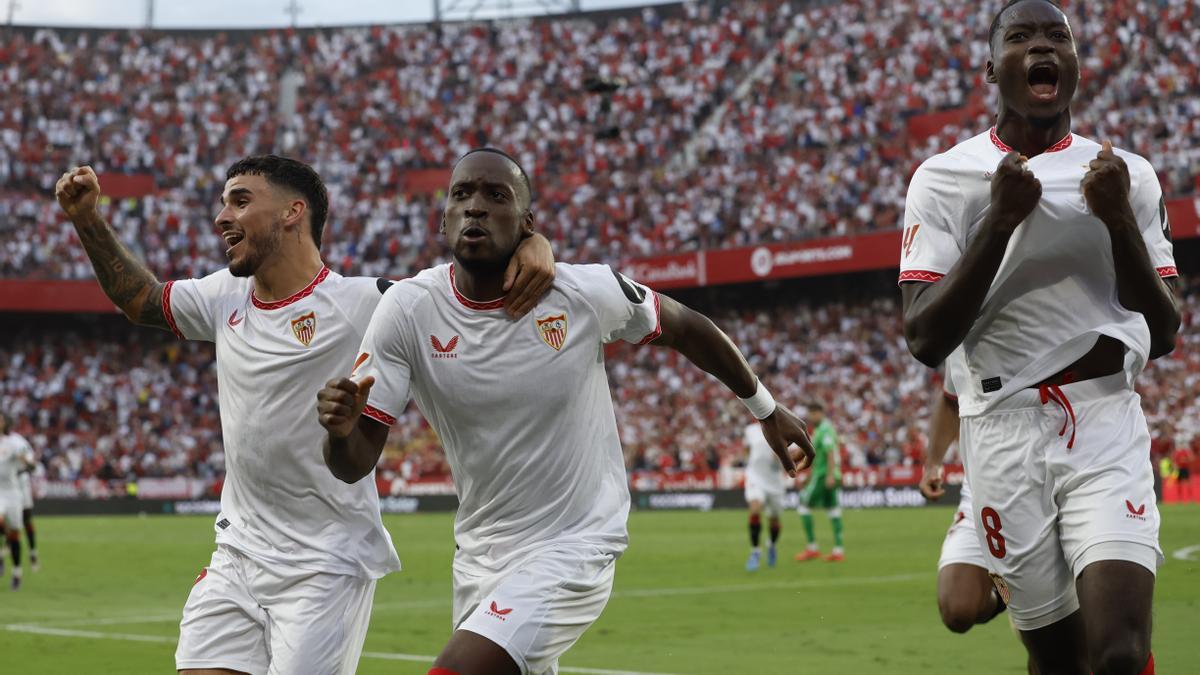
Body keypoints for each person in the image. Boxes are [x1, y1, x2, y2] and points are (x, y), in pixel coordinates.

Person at [316, 147, 814, 675]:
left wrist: (764, 407)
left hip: (574, 543)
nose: (476, 207)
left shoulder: (579, 291)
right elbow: (353, 462)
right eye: (461, 194)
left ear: (527, 222)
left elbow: (685, 327)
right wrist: (340, 432)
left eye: (496, 195)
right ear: (443, 220)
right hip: (481, 555)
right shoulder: (408, 310)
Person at [54, 156, 556, 674]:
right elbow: (141, 300)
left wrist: (532, 244)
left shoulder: (367, 302)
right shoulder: (223, 296)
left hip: (323, 567)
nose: (221, 217)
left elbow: (465, 293)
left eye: (240, 201)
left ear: (294, 212)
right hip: (238, 554)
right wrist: (87, 218)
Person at [899, 1, 1179, 672]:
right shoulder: (943, 178)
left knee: (1117, 649)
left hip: (1103, 417)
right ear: (992, 67)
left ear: (1075, 65)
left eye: (1058, 37)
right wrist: (999, 223)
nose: (1042, 47)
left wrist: (1115, 221)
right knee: (1056, 658)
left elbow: (1165, 328)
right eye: (1020, 37)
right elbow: (923, 335)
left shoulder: (1126, 175)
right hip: (1000, 431)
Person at [795, 402, 843, 562]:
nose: (812, 416)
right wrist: (808, 478)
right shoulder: (821, 430)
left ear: (821, 413)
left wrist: (829, 475)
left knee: (803, 506)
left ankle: (812, 548)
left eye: (814, 413)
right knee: (833, 509)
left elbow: (830, 453)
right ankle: (838, 551)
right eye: (810, 413)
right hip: (827, 474)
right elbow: (818, 457)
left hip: (824, 476)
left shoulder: (824, 429)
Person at [743, 422, 789, 571]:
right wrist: (750, 462)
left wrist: (780, 456)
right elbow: (747, 449)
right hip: (755, 477)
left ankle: (771, 545)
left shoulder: (784, 429)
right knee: (755, 508)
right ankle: (755, 551)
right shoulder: (751, 430)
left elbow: (791, 457)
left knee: (774, 519)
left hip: (775, 481)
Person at [0, 416, 34, 590]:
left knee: (15, 535)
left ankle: (17, 572)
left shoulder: (12, 442)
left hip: (12, 492)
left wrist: (27, 461)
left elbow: (30, 463)